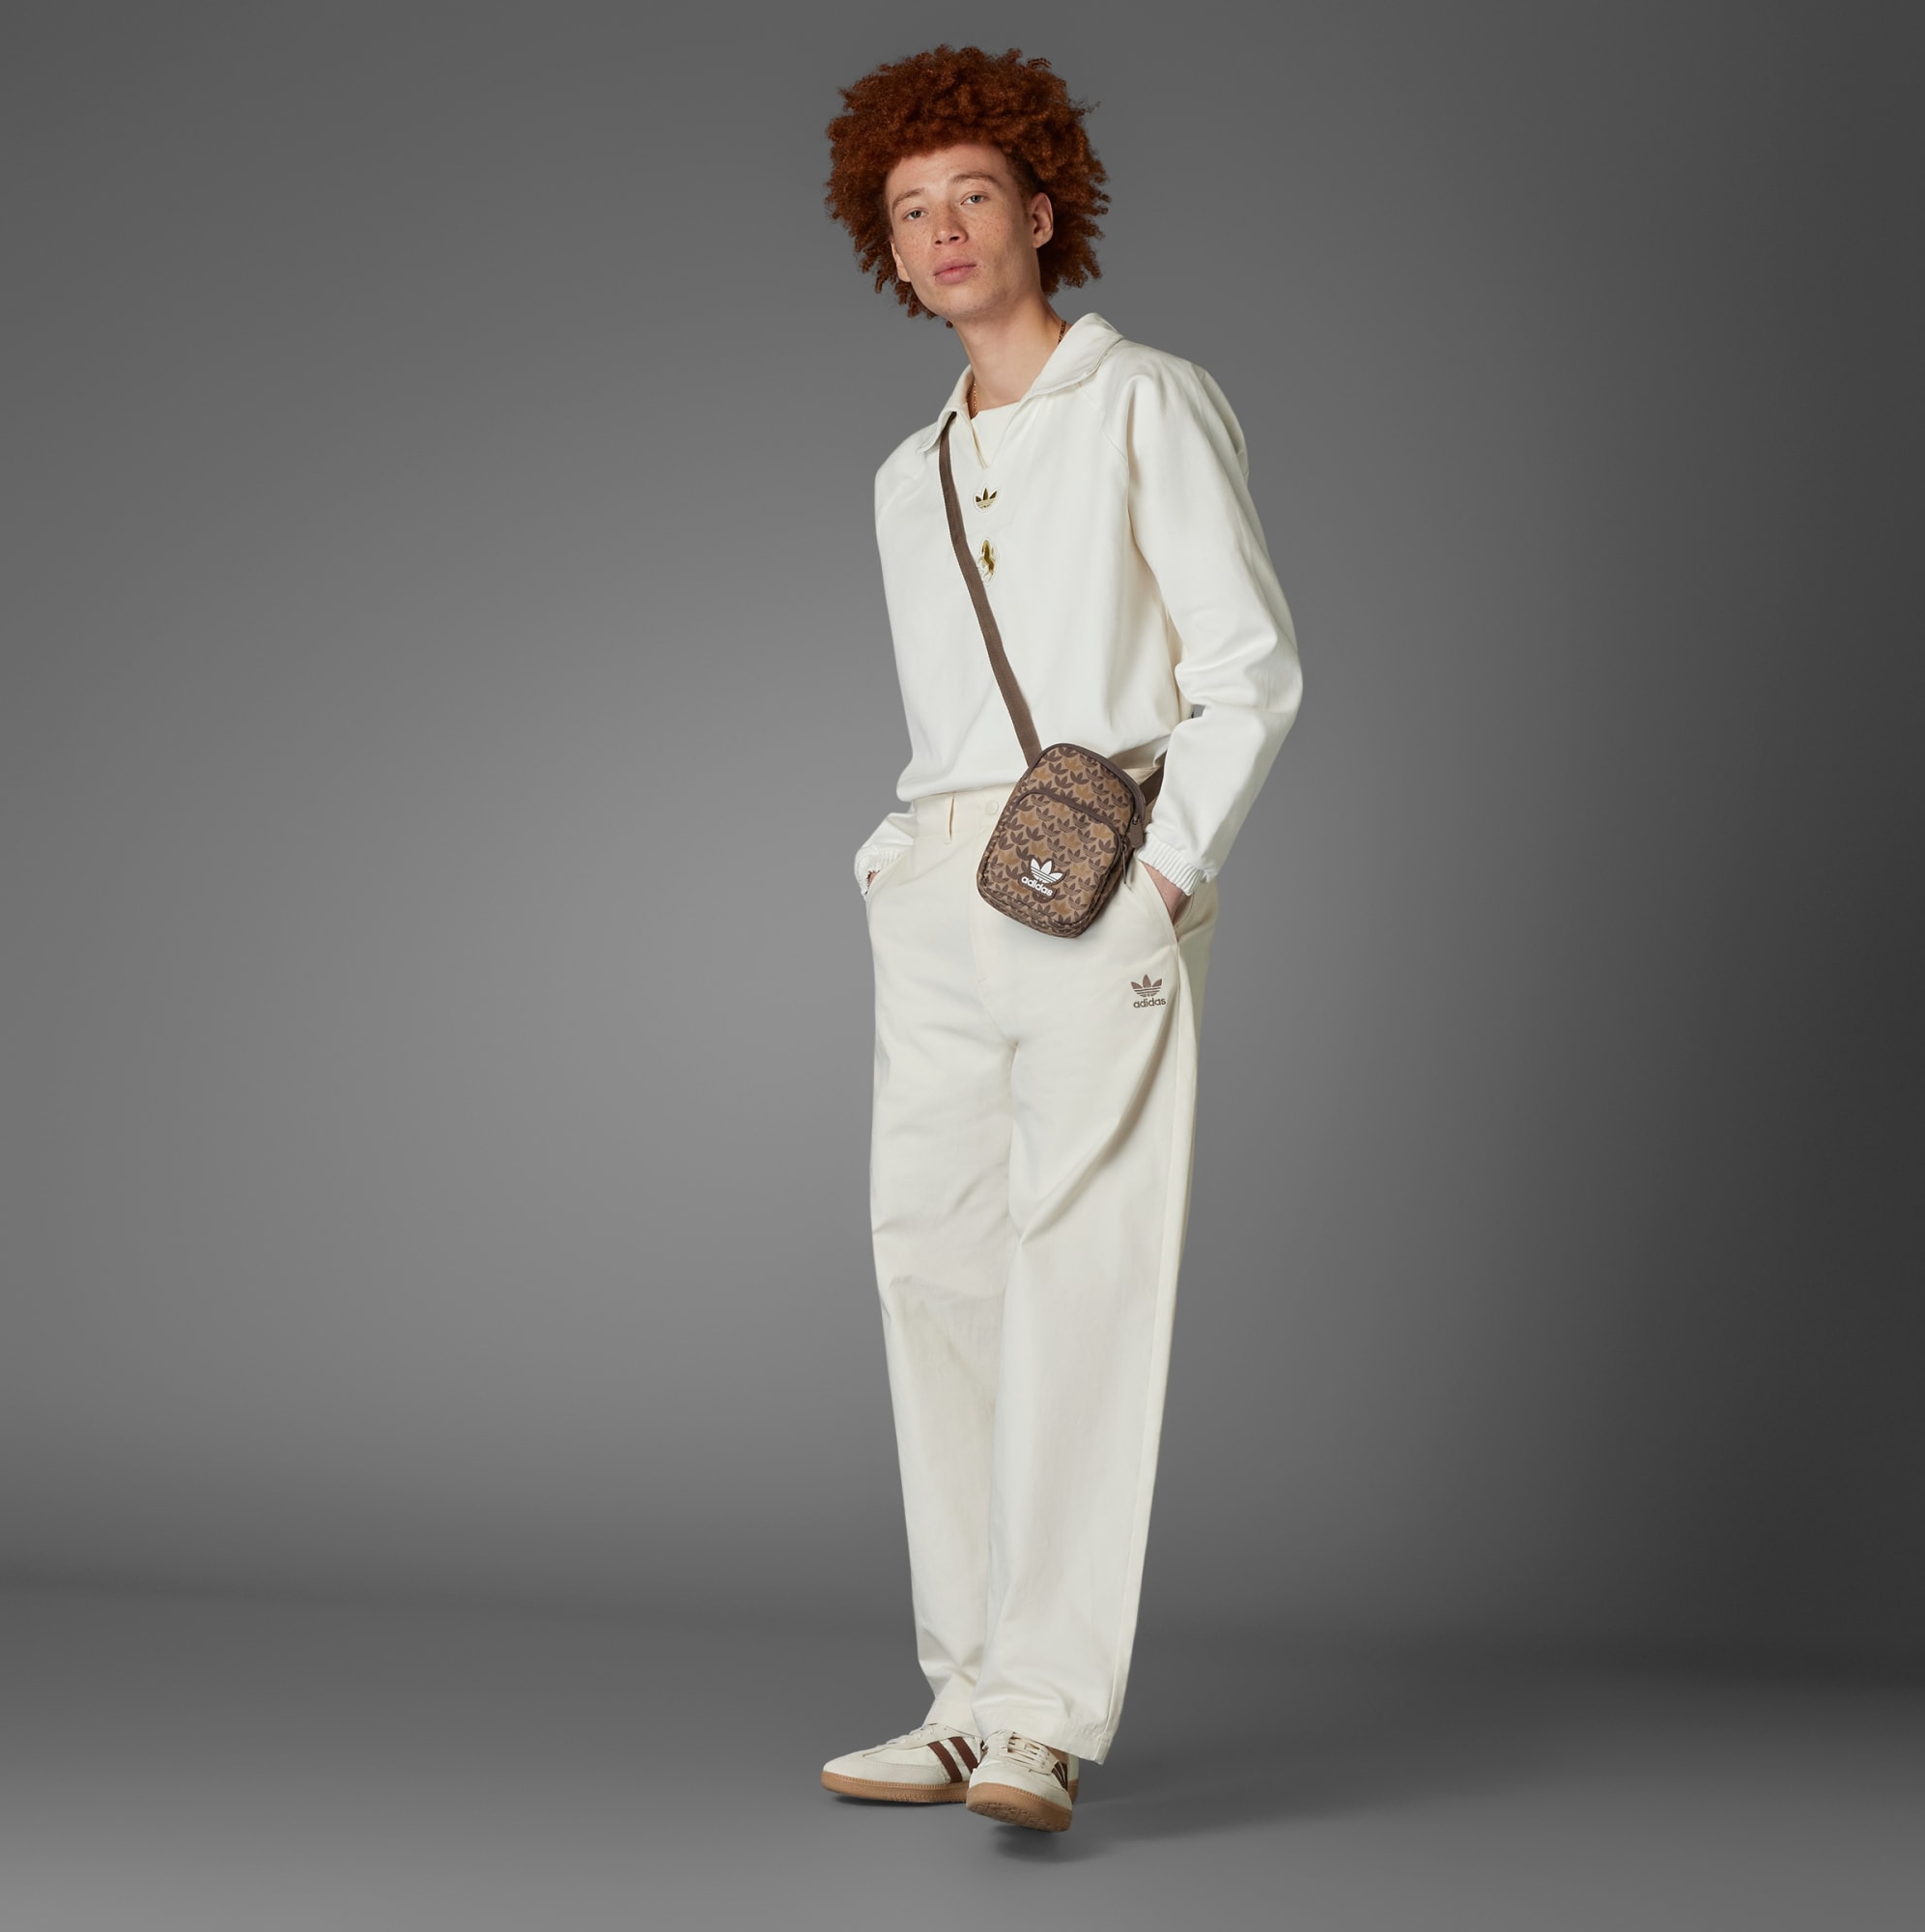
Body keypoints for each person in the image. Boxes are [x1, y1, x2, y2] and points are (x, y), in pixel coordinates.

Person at [818, 44, 1302, 1834]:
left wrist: (1167, 876)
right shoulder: (907, 474)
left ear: (1042, 208)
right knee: (933, 1275)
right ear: (888, 245)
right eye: (908, 210)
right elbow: (945, 721)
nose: (943, 231)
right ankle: (962, 1697)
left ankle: (1044, 1715)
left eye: (972, 195)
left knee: (1085, 1279)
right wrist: (898, 863)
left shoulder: (1145, 400)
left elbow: (1248, 669)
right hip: (943, 895)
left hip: (1105, 880)